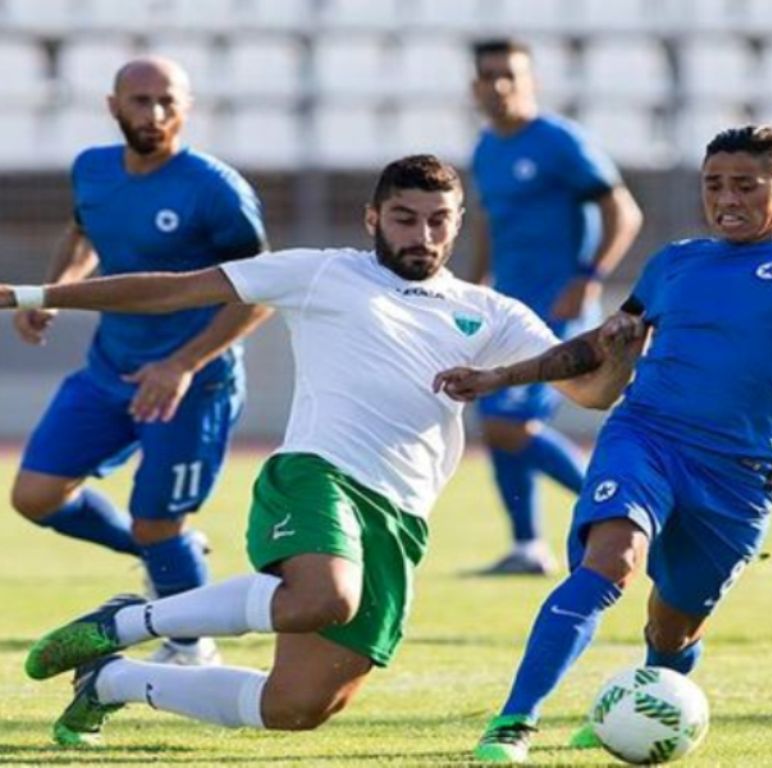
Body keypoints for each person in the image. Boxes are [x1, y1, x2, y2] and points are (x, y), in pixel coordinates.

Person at [10, 155, 638, 748]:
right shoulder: (321, 273)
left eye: (438, 221)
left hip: (402, 516)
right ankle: (123, 624)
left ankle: (111, 681)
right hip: (319, 474)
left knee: (298, 706)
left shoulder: (491, 312)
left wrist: (621, 354)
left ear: (458, 224)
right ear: (372, 218)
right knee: (324, 597)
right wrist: (35, 294)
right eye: (405, 218)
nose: (422, 235)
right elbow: (175, 290)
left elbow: (589, 392)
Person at [433, 125, 772, 764]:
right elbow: (596, 347)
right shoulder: (675, 262)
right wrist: (500, 377)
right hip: (647, 436)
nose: (726, 199)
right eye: (714, 185)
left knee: (673, 626)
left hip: (738, 476)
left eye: (746, 186)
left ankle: (641, 700)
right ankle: (513, 723)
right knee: (610, 561)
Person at [8, 57, 270, 666]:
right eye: (140, 100)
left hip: (192, 384)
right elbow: (83, 233)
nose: (155, 114)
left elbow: (260, 295)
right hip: (110, 369)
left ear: (187, 107)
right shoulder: (92, 169)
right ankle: (172, 557)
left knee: (158, 524)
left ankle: (190, 647)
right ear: (113, 106)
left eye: (167, 101)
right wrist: (53, 293)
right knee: (35, 496)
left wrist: (182, 364)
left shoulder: (214, 189)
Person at [469, 38, 643, 575]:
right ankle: (527, 546)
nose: (499, 85)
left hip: (557, 312)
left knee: (509, 426)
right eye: (489, 75)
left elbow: (623, 211)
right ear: (475, 86)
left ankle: (628, 510)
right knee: (495, 423)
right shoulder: (486, 148)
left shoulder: (560, 141)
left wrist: (589, 278)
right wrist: (472, 288)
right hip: (508, 309)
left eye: (510, 74)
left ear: (532, 82)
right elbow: (489, 224)